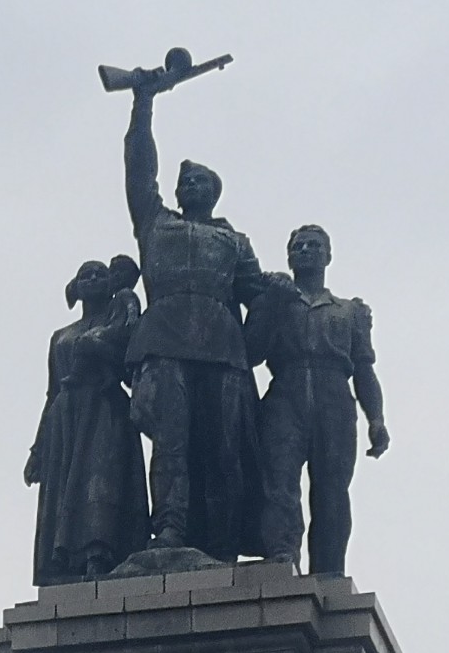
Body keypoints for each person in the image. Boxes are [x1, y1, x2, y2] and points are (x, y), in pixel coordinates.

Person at [119, 78, 269, 559]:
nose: (190, 187)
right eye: (185, 183)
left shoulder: (234, 241)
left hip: (221, 349)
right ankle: (170, 528)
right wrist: (143, 103)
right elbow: (139, 169)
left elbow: (259, 295)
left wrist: (257, 338)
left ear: (214, 193)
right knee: (171, 443)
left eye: (199, 181)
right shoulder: (156, 222)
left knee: (223, 449)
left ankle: (222, 540)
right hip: (164, 341)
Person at [253, 224, 388, 576]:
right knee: (280, 482)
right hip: (286, 393)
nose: (305, 251)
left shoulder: (349, 311)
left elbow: (364, 369)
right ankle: (282, 554)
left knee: (332, 490)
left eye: (314, 246)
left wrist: (376, 418)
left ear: (328, 256)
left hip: (335, 399)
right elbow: (252, 351)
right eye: (298, 246)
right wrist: (271, 303)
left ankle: (328, 571)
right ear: (289, 257)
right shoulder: (276, 300)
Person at [25, 257, 149, 583]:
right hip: (65, 416)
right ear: (76, 288)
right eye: (86, 275)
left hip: (104, 409)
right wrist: (38, 450)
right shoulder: (60, 337)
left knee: (101, 478)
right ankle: (63, 562)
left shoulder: (119, 318)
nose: (93, 279)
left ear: (111, 284)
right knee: (66, 488)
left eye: (100, 274)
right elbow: (52, 392)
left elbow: (131, 358)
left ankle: (99, 554)